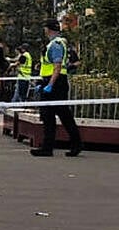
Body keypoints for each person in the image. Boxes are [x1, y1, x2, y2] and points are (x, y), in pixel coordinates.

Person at [31, 20, 82, 157]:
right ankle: (52, 146)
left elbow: (57, 66)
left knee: (57, 115)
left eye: (45, 28)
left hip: (55, 83)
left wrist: (50, 84)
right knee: (55, 115)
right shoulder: (56, 43)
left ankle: (66, 145)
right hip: (54, 82)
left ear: (48, 29)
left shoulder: (56, 45)